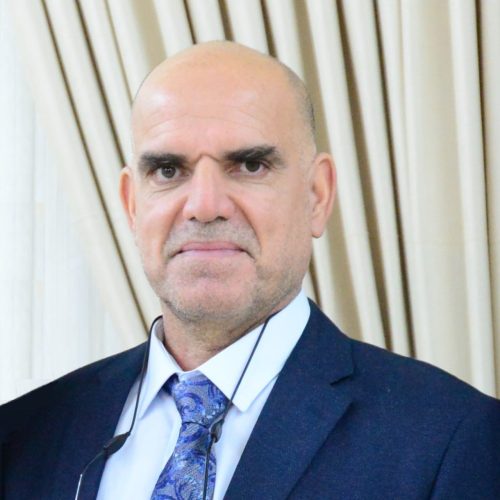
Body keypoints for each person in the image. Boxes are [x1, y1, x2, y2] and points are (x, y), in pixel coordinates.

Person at [0, 41, 499, 500]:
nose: (204, 205)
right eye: (168, 171)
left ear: (317, 196)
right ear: (132, 205)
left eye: (250, 166)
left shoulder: (451, 440)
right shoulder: (22, 437)